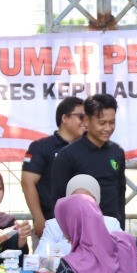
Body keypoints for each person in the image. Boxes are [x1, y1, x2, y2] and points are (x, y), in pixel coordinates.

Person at [49, 93, 127, 226]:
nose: (108, 128)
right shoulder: (67, 155)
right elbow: (59, 200)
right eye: (102, 123)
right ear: (86, 121)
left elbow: (120, 193)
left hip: (112, 228)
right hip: (81, 229)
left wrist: (120, 225)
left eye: (112, 122)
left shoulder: (117, 152)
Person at [20, 96, 86, 225]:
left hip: (82, 224)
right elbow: (27, 183)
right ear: (65, 118)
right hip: (50, 223)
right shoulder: (41, 147)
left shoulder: (88, 149)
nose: (86, 122)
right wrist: (39, 219)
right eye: (81, 117)